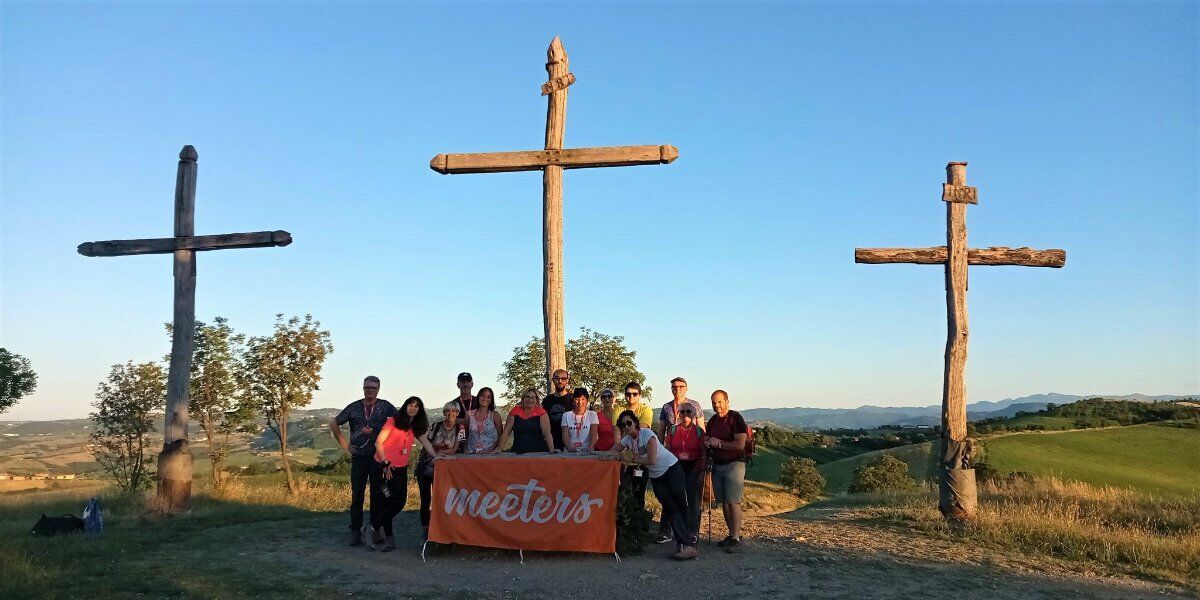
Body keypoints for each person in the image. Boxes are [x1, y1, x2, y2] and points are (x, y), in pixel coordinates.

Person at [611, 410, 698, 560]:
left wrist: (632, 459)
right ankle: (684, 544)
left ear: (635, 422)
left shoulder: (646, 434)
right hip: (657, 476)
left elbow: (651, 459)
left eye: (629, 423)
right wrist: (608, 456)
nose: (626, 426)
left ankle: (688, 543)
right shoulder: (627, 440)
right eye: (623, 424)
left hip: (671, 469)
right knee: (670, 508)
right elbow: (613, 451)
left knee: (680, 504)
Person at [329, 376, 396, 546]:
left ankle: (374, 530)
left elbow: (399, 421)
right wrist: (345, 445)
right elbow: (334, 423)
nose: (370, 390)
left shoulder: (385, 406)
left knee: (378, 495)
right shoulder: (354, 407)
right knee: (357, 495)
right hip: (359, 457)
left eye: (373, 387)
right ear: (363, 388)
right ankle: (355, 530)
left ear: (379, 388)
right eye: (367, 387)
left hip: (377, 458)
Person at [370, 396, 439, 551]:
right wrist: (385, 462)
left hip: (400, 469)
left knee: (399, 502)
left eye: (416, 406)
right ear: (405, 406)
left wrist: (437, 457)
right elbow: (378, 443)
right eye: (410, 405)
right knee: (387, 502)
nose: (413, 408)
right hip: (383, 468)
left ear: (419, 410)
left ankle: (373, 526)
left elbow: (426, 442)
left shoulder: (415, 425)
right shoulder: (392, 421)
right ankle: (388, 538)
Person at [705, 389, 749, 553]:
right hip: (717, 464)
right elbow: (708, 438)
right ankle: (731, 535)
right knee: (724, 501)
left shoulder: (735, 418)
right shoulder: (712, 421)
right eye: (714, 402)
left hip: (734, 464)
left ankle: (736, 537)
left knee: (733, 501)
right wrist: (708, 441)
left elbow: (740, 445)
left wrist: (719, 444)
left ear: (727, 401)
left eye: (719, 402)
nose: (717, 405)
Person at [415, 401, 464, 540]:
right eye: (448, 411)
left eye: (454, 411)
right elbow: (427, 443)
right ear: (444, 412)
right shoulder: (436, 425)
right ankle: (425, 530)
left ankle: (441, 530)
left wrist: (442, 453)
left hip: (443, 470)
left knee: (442, 499)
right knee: (425, 500)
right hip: (426, 467)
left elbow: (456, 448)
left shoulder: (460, 428)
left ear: (457, 413)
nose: (450, 414)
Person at [664, 403, 706, 548]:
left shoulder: (699, 431)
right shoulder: (673, 430)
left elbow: (704, 453)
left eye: (689, 411)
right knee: (678, 500)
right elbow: (667, 449)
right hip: (677, 466)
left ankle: (692, 532)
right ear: (679, 414)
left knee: (693, 501)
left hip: (694, 467)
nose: (685, 414)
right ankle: (680, 532)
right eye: (683, 411)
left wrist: (702, 471)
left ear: (694, 414)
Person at [621, 382, 654, 513]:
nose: (631, 397)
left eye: (635, 394)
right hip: (625, 459)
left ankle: (638, 521)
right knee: (624, 490)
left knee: (639, 493)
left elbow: (642, 429)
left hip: (641, 460)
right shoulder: (619, 408)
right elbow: (619, 432)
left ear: (640, 395)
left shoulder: (646, 410)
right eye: (628, 394)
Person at [496, 388, 557, 454]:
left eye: (533, 397)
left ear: (536, 400)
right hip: (517, 452)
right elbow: (506, 432)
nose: (530, 399)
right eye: (527, 397)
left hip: (539, 453)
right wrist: (499, 449)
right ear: (523, 399)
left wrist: (552, 449)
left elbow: (547, 433)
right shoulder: (515, 411)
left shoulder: (542, 413)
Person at [657, 377, 706, 441]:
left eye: (681, 387)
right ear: (671, 389)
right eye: (674, 387)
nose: (677, 389)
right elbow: (661, 430)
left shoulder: (695, 405)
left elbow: (701, 427)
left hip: (692, 444)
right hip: (671, 446)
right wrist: (660, 448)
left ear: (686, 388)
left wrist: (703, 446)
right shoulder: (666, 407)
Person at [542, 369, 573, 450]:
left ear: (567, 381)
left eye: (563, 378)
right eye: (557, 378)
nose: (560, 381)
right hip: (551, 443)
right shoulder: (547, 400)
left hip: (570, 443)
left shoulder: (573, 399)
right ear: (553, 380)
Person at [466, 387, 503, 454]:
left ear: (491, 400)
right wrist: (464, 449)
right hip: (471, 454)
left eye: (488, 397)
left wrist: (487, 451)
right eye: (483, 396)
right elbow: (464, 434)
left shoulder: (495, 415)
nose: (485, 399)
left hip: (489, 455)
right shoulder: (469, 414)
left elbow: (501, 436)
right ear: (478, 397)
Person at [561, 387, 599, 453]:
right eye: (577, 399)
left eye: (583, 399)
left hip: (587, 451)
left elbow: (594, 433)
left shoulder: (592, 414)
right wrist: (570, 448)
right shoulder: (566, 415)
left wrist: (590, 448)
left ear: (587, 401)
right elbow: (565, 434)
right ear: (573, 401)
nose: (580, 402)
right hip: (570, 451)